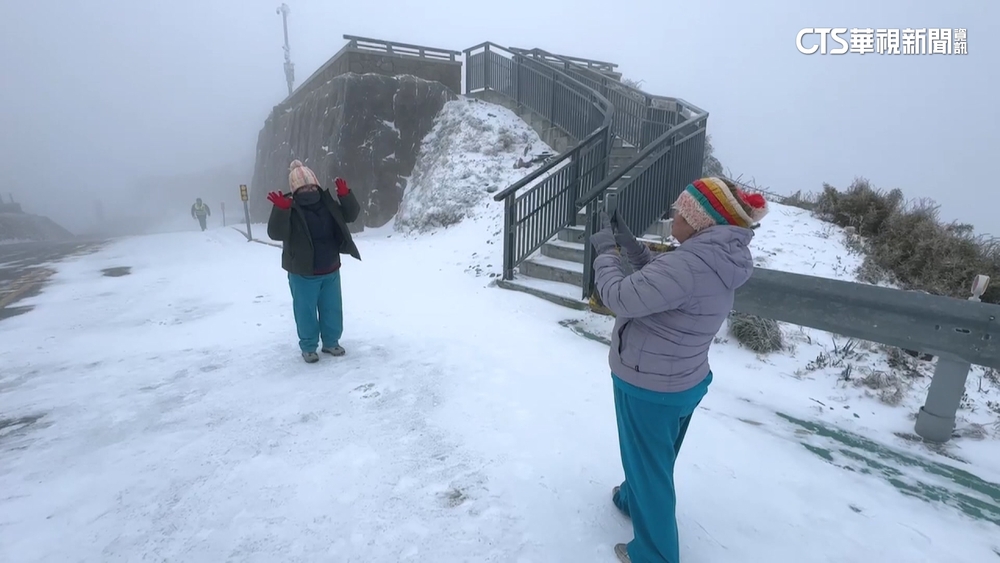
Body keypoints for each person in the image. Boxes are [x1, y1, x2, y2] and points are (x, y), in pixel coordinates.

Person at [589, 177, 768, 563]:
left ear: (700, 222)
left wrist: (605, 254)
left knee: (651, 465)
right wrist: (630, 245)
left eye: (680, 211)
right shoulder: (713, 258)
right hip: (680, 379)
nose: (672, 215)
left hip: (650, 383)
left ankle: (654, 555)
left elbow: (620, 296)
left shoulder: (690, 264)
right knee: (653, 455)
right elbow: (661, 278)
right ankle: (631, 499)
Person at [266, 160, 362, 363]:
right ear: (294, 190)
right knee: (305, 311)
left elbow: (351, 215)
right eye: (303, 188)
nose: (308, 190)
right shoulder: (290, 208)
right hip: (303, 273)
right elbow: (275, 233)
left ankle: (331, 342)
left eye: (311, 185)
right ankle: (309, 347)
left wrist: (346, 196)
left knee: (332, 308)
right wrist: (281, 211)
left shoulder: (328, 204)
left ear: (317, 185)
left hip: (331, 269)